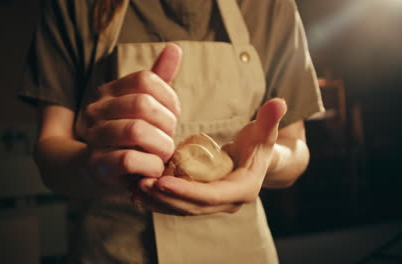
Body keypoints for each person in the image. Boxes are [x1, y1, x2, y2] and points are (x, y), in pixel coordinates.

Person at [19, 0, 324, 263]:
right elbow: (49, 148)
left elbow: (295, 148)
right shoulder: (75, 6)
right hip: (112, 250)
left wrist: (263, 159)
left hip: (239, 251)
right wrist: (97, 166)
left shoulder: (269, 6)